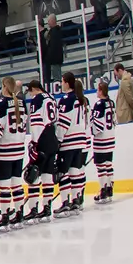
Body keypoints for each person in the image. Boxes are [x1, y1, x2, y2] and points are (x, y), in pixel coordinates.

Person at [0, 77, 30, 231]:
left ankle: (5, 216)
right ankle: (19, 214)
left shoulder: (1, 104)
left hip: (5, 151)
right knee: (16, 184)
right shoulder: (21, 103)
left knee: (4, 187)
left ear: (4, 87)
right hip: (19, 149)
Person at [53, 73, 92, 218]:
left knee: (63, 173)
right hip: (80, 141)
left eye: (62, 81)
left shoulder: (66, 99)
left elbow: (63, 123)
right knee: (75, 172)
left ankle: (65, 203)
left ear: (67, 83)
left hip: (68, 142)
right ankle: (76, 201)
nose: (61, 84)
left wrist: (58, 140)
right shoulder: (80, 99)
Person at [23, 80, 60, 222]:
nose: (30, 94)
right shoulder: (51, 97)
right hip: (52, 137)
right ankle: (46, 207)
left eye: (30, 91)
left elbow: (36, 123)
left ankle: (33, 208)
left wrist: (34, 143)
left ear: (34, 89)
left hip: (42, 138)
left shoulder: (37, 99)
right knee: (47, 175)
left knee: (33, 174)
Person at [90, 81, 116, 204]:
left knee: (101, 166)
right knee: (108, 164)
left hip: (101, 139)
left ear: (101, 91)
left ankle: (103, 190)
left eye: (97, 90)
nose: (97, 92)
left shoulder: (99, 104)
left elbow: (98, 125)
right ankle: (110, 189)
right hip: (110, 138)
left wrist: (91, 129)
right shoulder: (111, 103)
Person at [39, 15, 64, 83]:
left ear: (53, 21)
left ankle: (58, 86)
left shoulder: (54, 32)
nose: (48, 23)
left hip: (55, 59)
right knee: (55, 77)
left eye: (49, 21)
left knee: (57, 78)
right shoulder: (55, 31)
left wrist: (49, 57)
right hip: (54, 59)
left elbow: (53, 47)